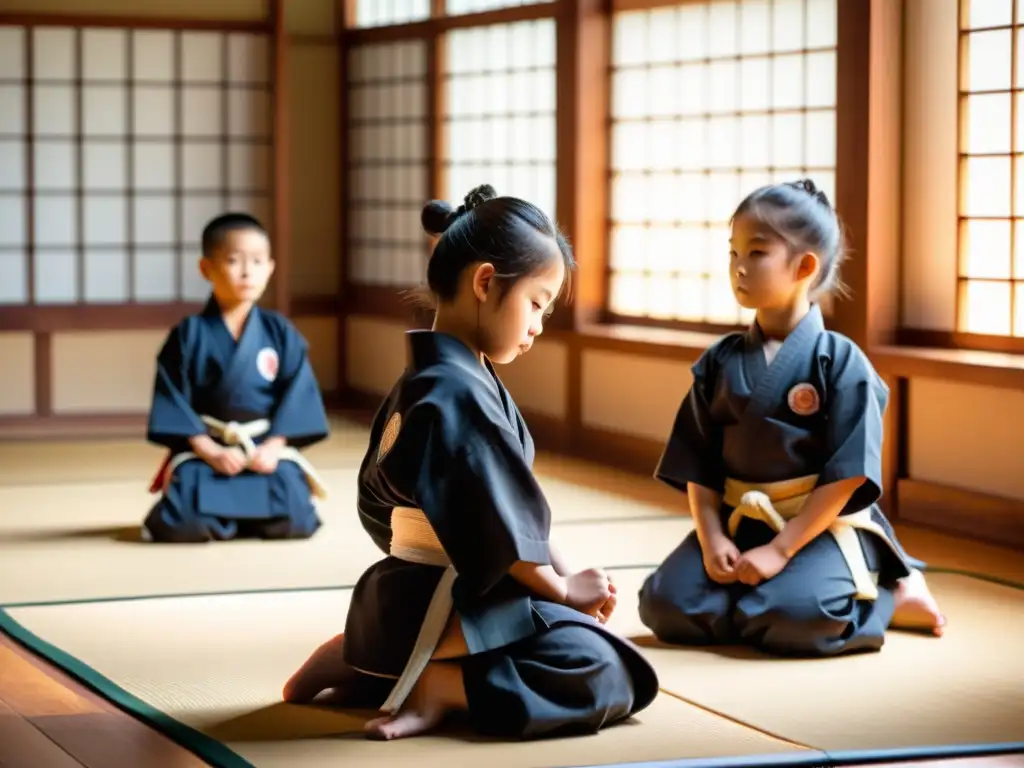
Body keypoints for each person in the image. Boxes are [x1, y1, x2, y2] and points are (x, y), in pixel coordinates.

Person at [281, 185, 658, 741]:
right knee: (608, 670)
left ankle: (363, 658)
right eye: (536, 303)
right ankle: (441, 685)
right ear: (485, 282)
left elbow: (497, 510)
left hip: (404, 590)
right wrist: (558, 590)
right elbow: (494, 522)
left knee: (588, 639)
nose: (538, 325)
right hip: (445, 596)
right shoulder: (451, 391)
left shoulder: (437, 379)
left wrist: (565, 577)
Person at [637, 179, 945, 657]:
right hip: (742, 524)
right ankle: (757, 592)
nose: (738, 268)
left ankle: (891, 592)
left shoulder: (841, 362)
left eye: (756, 253)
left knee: (793, 621)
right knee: (665, 607)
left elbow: (849, 475)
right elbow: (697, 462)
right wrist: (712, 535)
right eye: (733, 252)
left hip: (817, 526)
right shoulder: (720, 361)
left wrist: (781, 550)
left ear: (804, 266)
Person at [143, 212, 330, 543]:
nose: (248, 272)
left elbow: (298, 397)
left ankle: (233, 517)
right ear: (206, 269)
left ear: (270, 268)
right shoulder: (189, 334)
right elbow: (172, 401)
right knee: (182, 521)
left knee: (298, 518)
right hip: (209, 453)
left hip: (262, 453)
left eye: (258, 262)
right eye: (234, 261)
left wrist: (274, 447)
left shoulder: (280, 332)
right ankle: (244, 517)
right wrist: (210, 450)